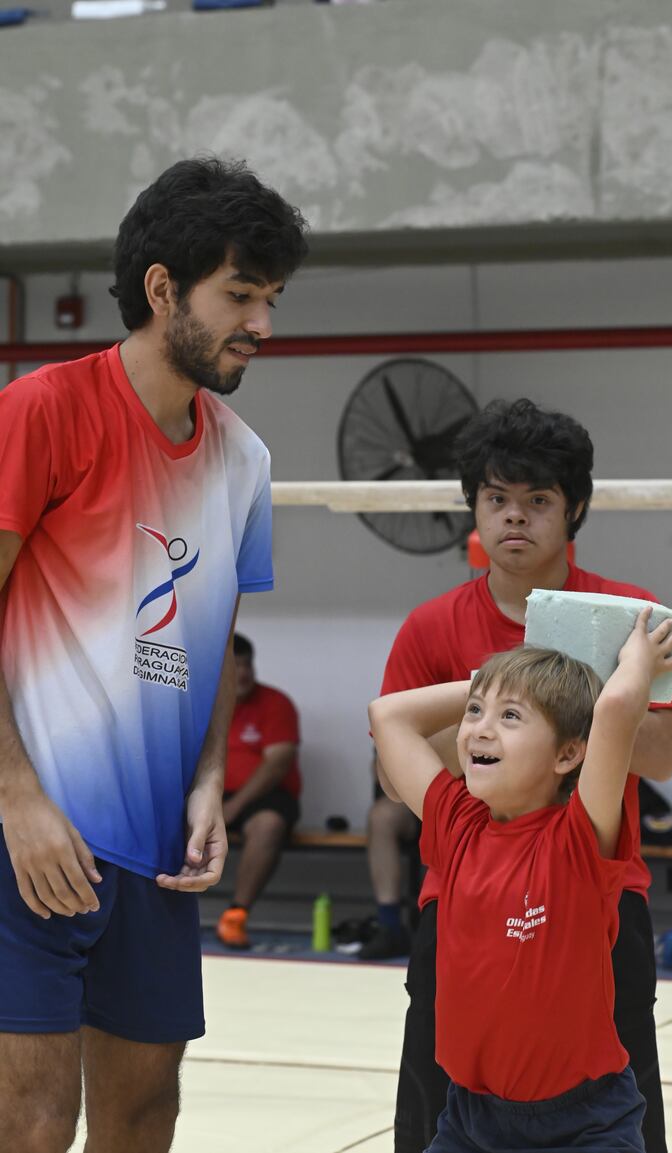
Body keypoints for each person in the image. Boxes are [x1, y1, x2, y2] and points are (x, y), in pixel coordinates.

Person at [0, 157, 308, 1153]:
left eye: (269, 299)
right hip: (26, 835)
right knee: (32, 1125)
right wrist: (15, 793)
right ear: (163, 287)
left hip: (152, 851)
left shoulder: (243, 460)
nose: (261, 324)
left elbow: (211, 637)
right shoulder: (43, 409)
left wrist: (211, 778)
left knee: (143, 1120)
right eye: (241, 296)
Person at [379, 398, 672, 1153]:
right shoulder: (430, 625)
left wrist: (568, 705)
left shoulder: (628, 617)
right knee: (435, 1099)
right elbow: (394, 772)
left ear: (574, 507)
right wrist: (508, 701)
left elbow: (659, 754)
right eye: (496, 499)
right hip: (462, 897)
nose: (514, 518)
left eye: (537, 500)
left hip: (589, 901)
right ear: (474, 511)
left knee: (623, 1099)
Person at [370, 611, 672, 1152]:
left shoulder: (580, 839)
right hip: (470, 1119)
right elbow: (388, 715)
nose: (480, 728)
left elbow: (613, 712)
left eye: (510, 717)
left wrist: (635, 664)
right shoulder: (457, 825)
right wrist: (497, 683)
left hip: (584, 1125)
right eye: (474, 713)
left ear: (568, 754)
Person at [216, 633, 301, 949]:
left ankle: (235, 916)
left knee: (267, 826)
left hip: (266, 797)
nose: (243, 673)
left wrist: (234, 808)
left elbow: (277, 765)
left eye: (247, 664)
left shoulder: (275, 703)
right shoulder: (206, 704)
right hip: (214, 796)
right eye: (234, 666)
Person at [356, 769, 420, 961]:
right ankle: (390, 926)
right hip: (418, 797)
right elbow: (386, 780)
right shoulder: (398, 735)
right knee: (381, 816)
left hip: (468, 795)